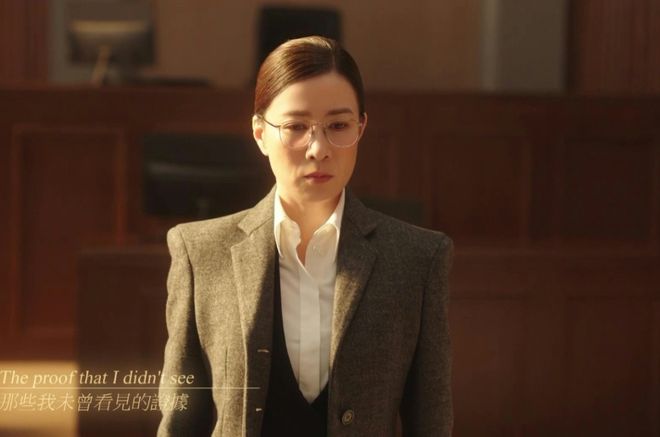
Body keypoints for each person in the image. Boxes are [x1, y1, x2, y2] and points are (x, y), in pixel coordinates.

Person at [157, 36, 454, 437]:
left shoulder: (417, 259)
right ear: (259, 133)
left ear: (361, 128)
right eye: (296, 126)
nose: (318, 148)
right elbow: (181, 420)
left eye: (338, 126)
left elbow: (431, 422)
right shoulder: (200, 252)